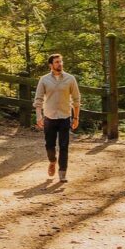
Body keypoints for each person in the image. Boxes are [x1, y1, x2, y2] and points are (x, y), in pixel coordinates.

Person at [34, 53, 80, 183]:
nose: (60, 64)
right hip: (49, 117)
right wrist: (39, 116)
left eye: (60, 61)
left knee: (64, 145)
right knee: (49, 145)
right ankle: (52, 161)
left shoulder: (70, 79)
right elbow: (38, 99)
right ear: (51, 65)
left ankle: (62, 172)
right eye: (56, 62)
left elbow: (76, 100)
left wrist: (76, 118)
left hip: (65, 116)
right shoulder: (44, 80)